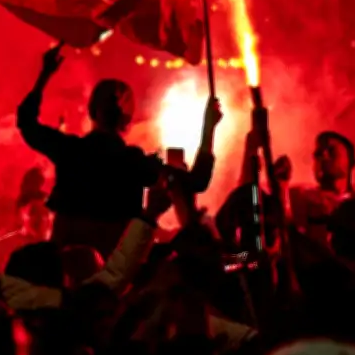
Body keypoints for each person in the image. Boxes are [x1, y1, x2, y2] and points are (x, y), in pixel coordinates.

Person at [17, 43, 220, 258]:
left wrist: (45, 74)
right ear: (128, 120)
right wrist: (208, 128)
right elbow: (198, 180)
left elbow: (26, 123)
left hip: (65, 269)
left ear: (92, 111)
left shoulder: (69, 150)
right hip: (116, 272)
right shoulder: (135, 164)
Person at [291, 131, 355, 246]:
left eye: (332, 152)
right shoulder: (298, 198)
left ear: (351, 161)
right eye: (318, 154)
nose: (323, 156)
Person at [0, 192, 53, 273]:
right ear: (20, 214)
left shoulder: (60, 249)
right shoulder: (0, 249)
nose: (42, 218)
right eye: (34, 212)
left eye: (46, 211)